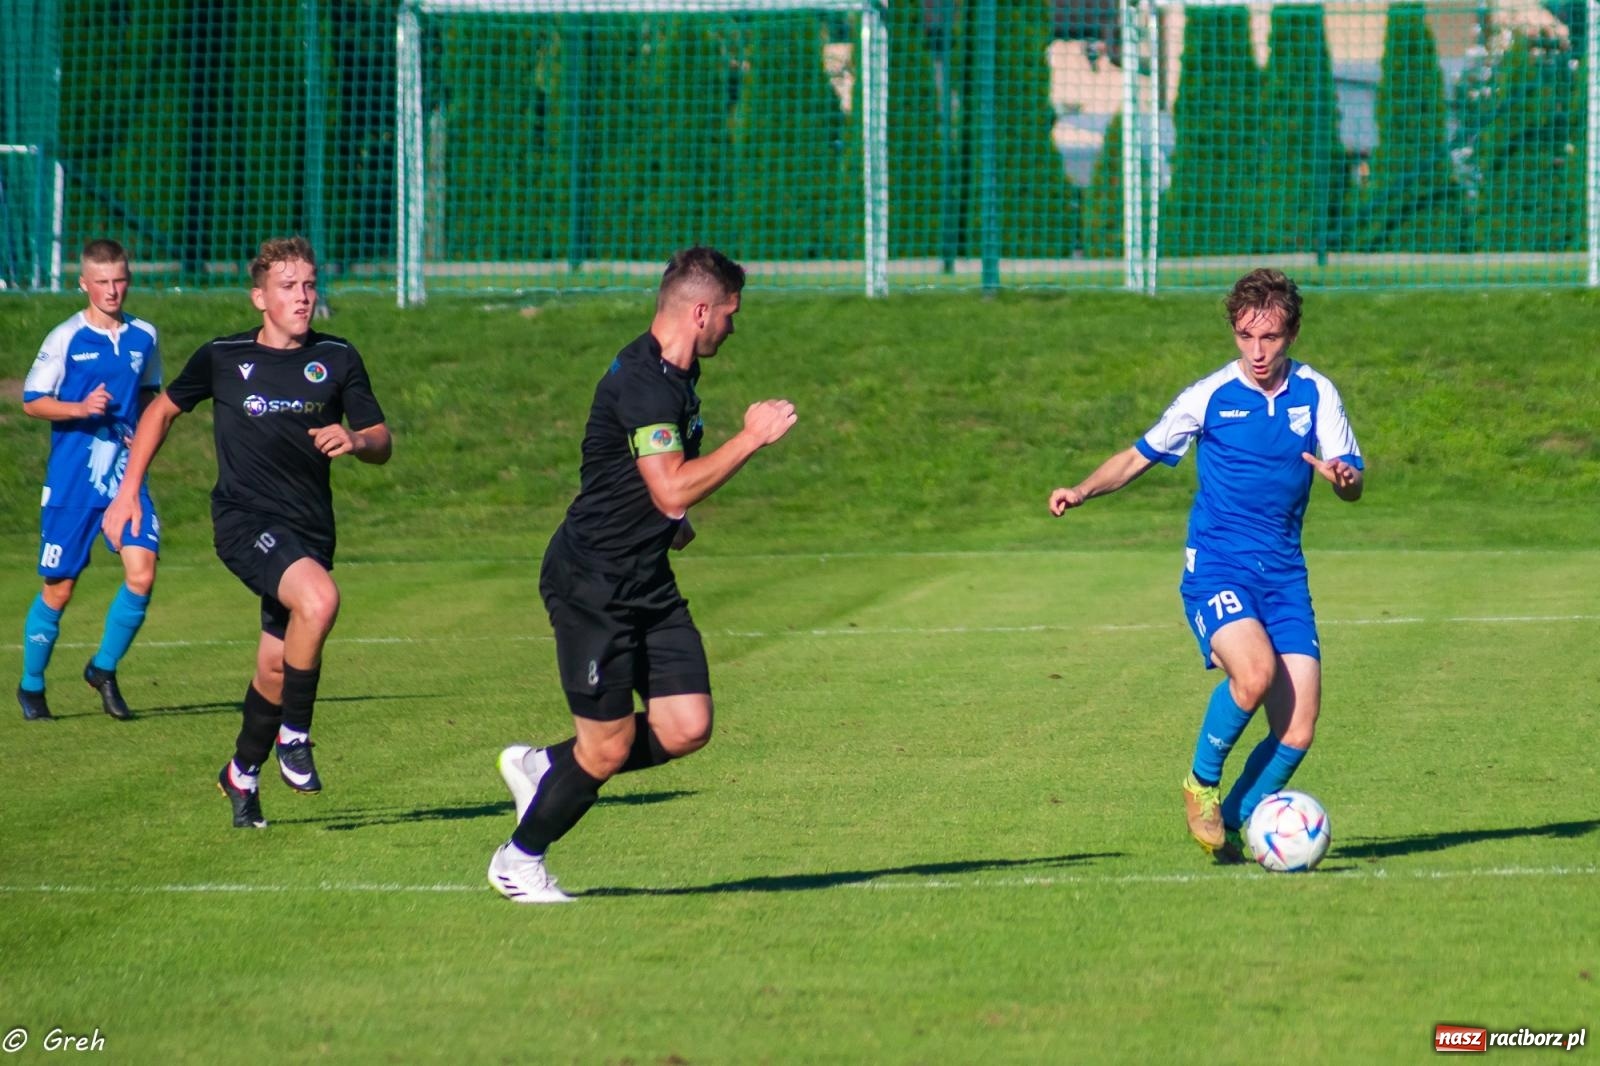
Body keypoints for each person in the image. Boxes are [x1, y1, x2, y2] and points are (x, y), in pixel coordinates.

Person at [488, 246, 797, 903]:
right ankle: (518, 860)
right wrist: (751, 438)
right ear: (702, 311)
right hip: (593, 583)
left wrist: (667, 524)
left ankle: (544, 765)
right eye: (731, 314)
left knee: (686, 726)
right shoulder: (645, 381)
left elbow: (633, 474)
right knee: (605, 749)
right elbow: (670, 487)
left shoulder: (676, 374)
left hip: (645, 576)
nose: (733, 328)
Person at [1048, 268, 1363, 862]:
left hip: (1284, 577)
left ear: (1292, 333)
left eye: (1269, 337)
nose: (1257, 351)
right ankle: (1200, 784)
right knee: (1254, 673)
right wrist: (1082, 490)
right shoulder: (1210, 396)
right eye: (1246, 336)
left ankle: (1242, 823)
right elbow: (1138, 456)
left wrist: (1344, 478)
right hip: (1217, 567)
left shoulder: (1316, 392)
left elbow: (1351, 480)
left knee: (1298, 729)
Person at [103, 236, 392, 829]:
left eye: (309, 285)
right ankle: (295, 735)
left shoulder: (338, 357)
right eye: (288, 287)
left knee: (276, 668)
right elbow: (160, 410)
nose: (303, 297)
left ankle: (241, 772)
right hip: (245, 521)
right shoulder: (224, 356)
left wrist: (357, 438)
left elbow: (381, 441)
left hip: (310, 530)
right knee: (320, 600)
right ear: (260, 297)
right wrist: (128, 491)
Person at [18, 238, 162, 722]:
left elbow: (150, 396)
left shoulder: (144, 335)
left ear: (129, 280)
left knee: (142, 574)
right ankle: (31, 685)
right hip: (73, 481)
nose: (111, 290)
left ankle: (103, 668)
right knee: (59, 588)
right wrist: (80, 408)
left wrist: (144, 432)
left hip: (125, 477)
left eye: (119, 280)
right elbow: (33, 401)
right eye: (101, 282)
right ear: (84, 283)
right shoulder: (66, 337)